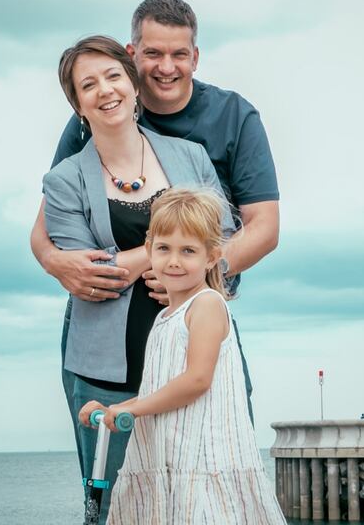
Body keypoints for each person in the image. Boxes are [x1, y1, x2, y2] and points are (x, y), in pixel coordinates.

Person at [30, 0, 280, 477]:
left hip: (198, 326)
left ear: (195, 57)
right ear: (133, 54)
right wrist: (53, 261)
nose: (166, 67)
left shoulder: (229, 120)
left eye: (178, 54)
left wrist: (187, 277)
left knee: (221, 478)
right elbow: (49, 223)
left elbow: (262, 229)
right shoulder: (89, 120)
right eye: (153, 54)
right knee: (115, 490)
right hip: (108, 344)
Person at [42, 35, 235, 523]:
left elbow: (224, 236)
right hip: (106, 372)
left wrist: (148, 263)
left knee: (202, 502)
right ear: (78, 105)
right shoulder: (64, 180)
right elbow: (91, 274)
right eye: (88, 85)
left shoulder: (190, 156)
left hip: (192, 361)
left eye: (113, 76)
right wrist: (167, 252)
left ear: (132, 84)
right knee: (114, 507)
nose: (105, 90)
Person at [79, 188, 285, 524]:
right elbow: (159, 391)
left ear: (211, 256)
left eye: (188, 250)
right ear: (149, 250)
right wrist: (113, 409)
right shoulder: (164, 318)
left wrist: (131, 409)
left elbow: (196, 380)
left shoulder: (206, 305)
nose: (174, 260)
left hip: (204, 461)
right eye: (164, 248)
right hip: (169, 460)